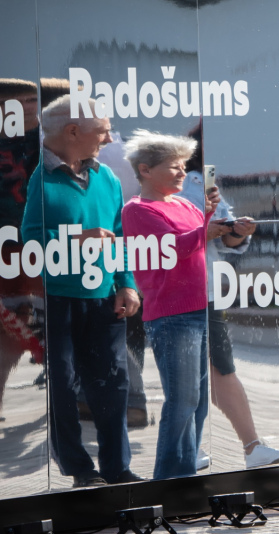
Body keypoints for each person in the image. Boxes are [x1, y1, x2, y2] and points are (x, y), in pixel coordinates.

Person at [21, 95, 142, 487]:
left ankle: (117, 468)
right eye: (103, 129)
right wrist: (77, 239)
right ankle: (79, 471)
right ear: (73, 132)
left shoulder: (105, 177)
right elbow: (29, 240)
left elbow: (119, 235)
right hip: (57, 300)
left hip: (104, 299)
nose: (109, 138)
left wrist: (126, 284)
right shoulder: (38, 177)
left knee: (113, 383)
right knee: (64, 384)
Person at [177, 126, 279, 469]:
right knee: (187, 375)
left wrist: (236, 231)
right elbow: (170, 236)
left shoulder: (206, 179)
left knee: (221, 370)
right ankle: (188, 449)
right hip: (179, 292)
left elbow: (222, 235)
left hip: (205, 290)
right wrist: (209, 230)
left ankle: (252, 448)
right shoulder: (176, 181)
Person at [121, 129, 226, 480]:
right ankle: (168, 479)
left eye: (183, 166)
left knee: (196, 402)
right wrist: (206, 231)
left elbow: (197, 240)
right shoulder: (137, 209)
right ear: (146, 170)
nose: (183, 173)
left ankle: (184, 472)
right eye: (174, 167)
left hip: (196, 308)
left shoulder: (183, 204)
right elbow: (170, 248)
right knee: (182, 400)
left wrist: (225, 225)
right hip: (171, 314)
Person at [0, 79, 44, 419]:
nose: (30, 106)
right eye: (20, 101)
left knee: (32, 327)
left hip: (42, 250)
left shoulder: (48, 142)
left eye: (33, 100)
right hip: (5, 249)